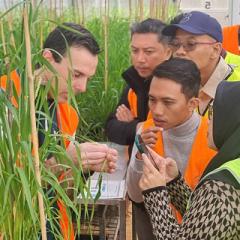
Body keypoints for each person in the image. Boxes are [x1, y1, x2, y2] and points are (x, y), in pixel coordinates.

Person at [0, 23, 118, 239]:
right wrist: (64, 160)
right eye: (76, 75)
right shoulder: (5, 102)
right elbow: (9, 191)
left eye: (87, 79)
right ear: (47, 58)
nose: (82, 87)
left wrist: (84, 167)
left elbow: (65, 190)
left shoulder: (67, 113)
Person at [126, 58, 216, 240]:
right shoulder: (146, 132)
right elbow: (135, 196)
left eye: (168, 102)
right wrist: (139, 154)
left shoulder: (213, 139)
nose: (157, 111)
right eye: (152, 100)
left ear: (193, 103)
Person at [139, 80, 240, 239]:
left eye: (213, 112)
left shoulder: (221, 187)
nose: (208, 119)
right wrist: (174, 183)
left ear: (230, 121)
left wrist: (156, 194)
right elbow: (205, 223)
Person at [105, 18, 171, 153]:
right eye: (135, 51)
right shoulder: (134, 83)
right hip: (137, 166)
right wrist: (138, 127)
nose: (140, 59)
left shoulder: (177, 87)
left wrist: (131, 124)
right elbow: (110, 128)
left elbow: (161, 135)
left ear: (168, 53)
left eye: (148, 52)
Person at [163, 11, 240, 116]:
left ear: (215, 50)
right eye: (175, 44)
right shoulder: (173, 85)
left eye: (191, 44)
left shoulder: (236, 88)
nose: (179, 51)